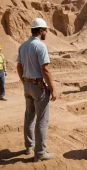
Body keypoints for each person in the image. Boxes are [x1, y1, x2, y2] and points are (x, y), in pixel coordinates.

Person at [17, 18, 57, 162]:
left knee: (29, 116)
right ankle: (40, 153)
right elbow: (45, 69)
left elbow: (19, 66)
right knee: (41, 120)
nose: (46, 32)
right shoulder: (40, 46)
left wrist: (24, 81)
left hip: (27, 85)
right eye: (45, 30)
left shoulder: (23, 46)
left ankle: (29, 146)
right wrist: (53, 89)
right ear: (40, 30)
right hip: (39, 87)